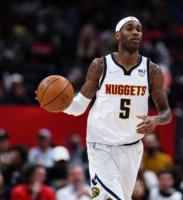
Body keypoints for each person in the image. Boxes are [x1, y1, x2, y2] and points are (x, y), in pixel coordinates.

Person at [37, 16, 172, 200]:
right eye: (129, 28)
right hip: (101, 145)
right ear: (118, 35)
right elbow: (79, 107)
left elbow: (166, 112)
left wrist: (156, 119)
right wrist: (57, 104)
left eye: (138, 29)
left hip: (131, 147)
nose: (135, 32)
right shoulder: (100, 66)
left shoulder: (152, 70)